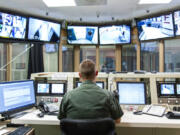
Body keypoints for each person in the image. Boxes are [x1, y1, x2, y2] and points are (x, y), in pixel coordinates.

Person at [58, 59, 123, 123]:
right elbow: (118, 120)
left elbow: (62, 119)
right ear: (96, 73)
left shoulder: (68, 96)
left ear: (79, 75)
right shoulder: (109, 95)